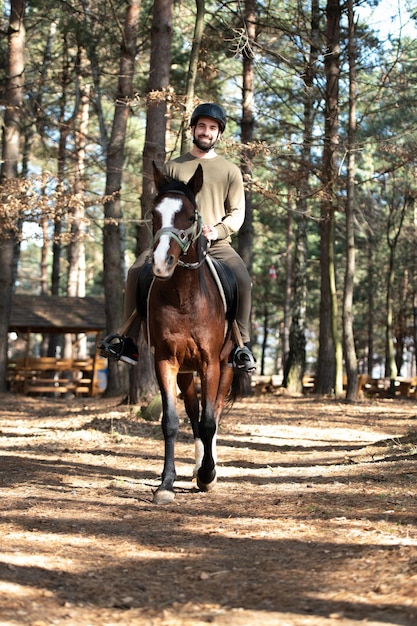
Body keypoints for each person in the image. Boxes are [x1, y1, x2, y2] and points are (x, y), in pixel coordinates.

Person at [100, 102, 256, 372]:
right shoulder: (173, 168)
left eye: (212, 128)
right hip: (174, 243)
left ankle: (241, 346)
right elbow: (162, 209)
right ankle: (128, 340)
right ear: (193, 129)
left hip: (215, 244)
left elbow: (237, 213)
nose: (206, 132)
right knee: (136, 271)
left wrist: (215, 230)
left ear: (219, 134)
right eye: (202, 126)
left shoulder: (230, 171)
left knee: (243, 279)